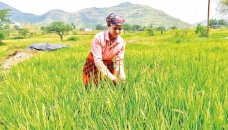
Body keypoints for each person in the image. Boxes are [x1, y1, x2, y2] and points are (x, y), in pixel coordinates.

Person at [82, 13, 126, 87]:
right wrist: (112, 78)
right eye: (115, 28)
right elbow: (98, 61)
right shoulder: (98, 38)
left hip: (108, 64)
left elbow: (119, 62)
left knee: (107, 87)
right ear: (108, 26)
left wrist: (122, 75)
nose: (117, 31)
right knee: (90, 86)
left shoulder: (121, 43)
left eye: (120, 29)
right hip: (93, 63)